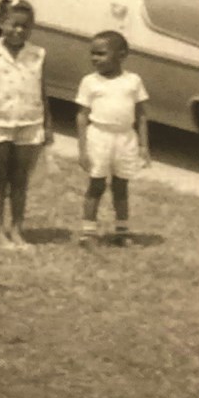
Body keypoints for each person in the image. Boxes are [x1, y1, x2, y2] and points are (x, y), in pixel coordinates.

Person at [0, 0, 51, 248]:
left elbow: (42, 91)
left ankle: (17, 229)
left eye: (25, 26)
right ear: (1, 23)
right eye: (13, 24)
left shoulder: (38, 54)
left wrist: (47, 125)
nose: (19, 30)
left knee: (20, 179)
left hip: (29, 122)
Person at [76, 30, 150, 244]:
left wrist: (144, 146)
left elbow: (141, 114)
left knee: (121, 185)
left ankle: (122, 231)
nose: (94, 59)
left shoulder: (133, 81)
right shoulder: (90, 82)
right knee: (96, 184)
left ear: (121, 55)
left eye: (101, 54)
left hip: (125, 138)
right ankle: (88, 232)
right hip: (99, 136)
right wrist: (82, 150)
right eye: (92, 54)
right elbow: (82, 116)